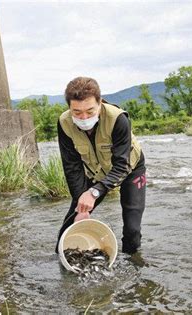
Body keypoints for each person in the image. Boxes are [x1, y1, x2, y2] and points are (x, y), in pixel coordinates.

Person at [56, 77, 147, 255]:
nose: (83, 117)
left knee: (132, 231)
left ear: (100, 103)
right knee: (68, 228)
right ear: (69, 108)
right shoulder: (64, 123)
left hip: (130, 170)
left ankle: (133, 266)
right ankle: (65, 269)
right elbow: (72, 166)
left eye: (90, 111)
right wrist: (82, 205)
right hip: (96, 173)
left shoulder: (118, 119)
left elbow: (122, 166)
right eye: (77, 112)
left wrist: (94, 192)